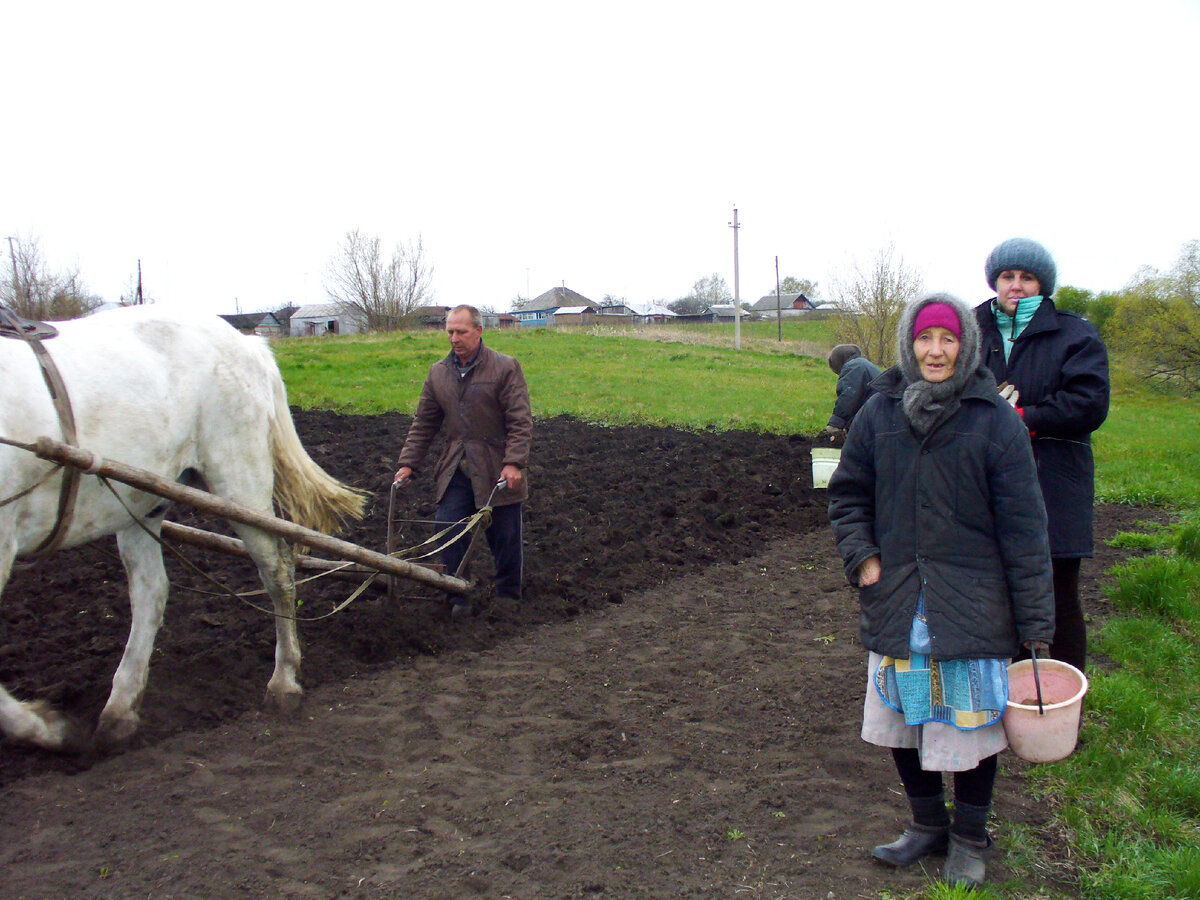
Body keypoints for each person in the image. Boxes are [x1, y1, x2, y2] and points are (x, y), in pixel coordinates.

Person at [827, 292, 1055, 888]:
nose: (935, 351)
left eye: (948, 339)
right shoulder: (878, 412)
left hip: (973, 601)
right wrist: (864, 558)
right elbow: (849, 494)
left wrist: (1035, 624)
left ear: (966, 345)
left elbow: (1025, 526)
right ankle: (927, 825)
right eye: (925, 339)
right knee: (901, 717)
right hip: (898, 592)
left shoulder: (993, 419)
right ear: (909, 342)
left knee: (970, 725)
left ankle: (971, 838)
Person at [975, 238, 1110, 672]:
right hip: (984, 481)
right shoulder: (970, 328)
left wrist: (1023, 415)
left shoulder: (1075, 333)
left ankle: (1065, 706)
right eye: (1007, 276)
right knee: (995, 594)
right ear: (995, 281)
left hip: (1054, 480)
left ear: (1042, 284)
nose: (1016, 285)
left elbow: (1090, 403)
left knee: (1059, 595)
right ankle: (1005, 701)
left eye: (1027, 277)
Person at [394, 305, 533, 617]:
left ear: (479, 331)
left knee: (504, 534)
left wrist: (514, 462)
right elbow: (424, 423)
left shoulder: (504, 367)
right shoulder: (438, 373)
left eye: (461, 331)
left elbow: (520, 420)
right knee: (447, 525)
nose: (454, 338)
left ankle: (508, 596)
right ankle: (458, 593)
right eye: (450, 332)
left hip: (496, 463)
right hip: (457, 464)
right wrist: (408, 463)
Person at [824, 344, 882, 438]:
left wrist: (835, 424)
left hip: (876, 421)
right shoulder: (864, 365)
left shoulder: (853, 367)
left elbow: (849, 397)